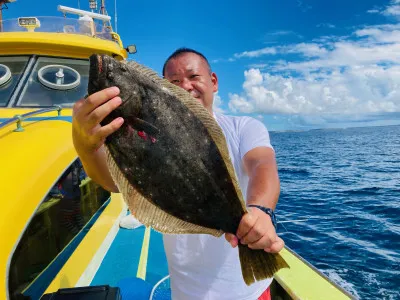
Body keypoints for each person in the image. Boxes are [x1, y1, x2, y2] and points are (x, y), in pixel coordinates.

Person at [72, 48, 284, 300]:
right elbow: (113, 183)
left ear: (213, 82)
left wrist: (261, 210)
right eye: (174, 82)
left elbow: (262, 164)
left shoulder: (244, 127)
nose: (185, 86)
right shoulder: (143, 136)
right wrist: (85, 146)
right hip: (186, 293)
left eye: (194, 77)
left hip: (250, 293)